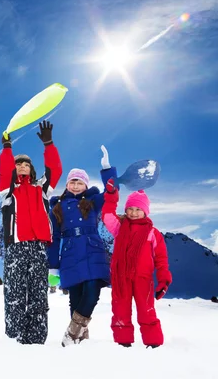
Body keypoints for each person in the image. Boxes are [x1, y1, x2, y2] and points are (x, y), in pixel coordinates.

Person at [0, 121, 62, 344]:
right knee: (14, 295)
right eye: (19, 164)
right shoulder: (8, 190)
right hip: (16, 247)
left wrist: (49, 144)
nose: (22, 166)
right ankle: (14, 338)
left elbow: (55, 170)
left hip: (38, 247)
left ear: (32, 169)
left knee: (37, 294)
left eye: (26, 164)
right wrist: (8, 150)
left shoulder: (42, 188)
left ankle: (36, 339)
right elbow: (5, 171)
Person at [47, 146, 117, 346]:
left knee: (92, 292)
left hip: (93, 250)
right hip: (69, 254)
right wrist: (53, 265)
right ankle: (81, 342)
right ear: (67, 184)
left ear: (86, 185)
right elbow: (54, 238)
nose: (76, 185)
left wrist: (107, 170)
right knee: (76, 299)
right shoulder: (58, 207)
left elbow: (112, 192)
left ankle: (71, 335)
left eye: (79, 182)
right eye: (72, 182)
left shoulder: (94, 201)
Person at [102, 179, 172, 348]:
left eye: (138, 209)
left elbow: (161, 259)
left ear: (145, 211)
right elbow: (107, 214)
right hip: (121, 278)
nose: (133, 213)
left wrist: (163, 280)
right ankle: (123, 343)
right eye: (130, 209)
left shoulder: (153, 233)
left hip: (143, 278)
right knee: (120, 311)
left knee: (146, 311)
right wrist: (111, 195)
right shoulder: (119, 227)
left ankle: (153, 343)